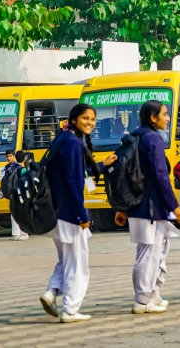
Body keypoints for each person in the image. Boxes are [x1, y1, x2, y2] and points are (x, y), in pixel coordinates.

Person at [39, 104, 117, 323]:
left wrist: (101, 165)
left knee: (66, 259)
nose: (90, 123)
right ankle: (70, 310)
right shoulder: (73, 143)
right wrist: (83, 216)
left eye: (93, 119)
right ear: (73, 120)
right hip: (69, 213)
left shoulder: (63, 138)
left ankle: (52, 292)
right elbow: (74, 182)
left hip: (55, 211)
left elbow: (78, 172)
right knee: (78, 264)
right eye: (85, 118)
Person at [114, 100, 180, 314]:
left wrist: (122, 207)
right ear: (152, 118)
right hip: (151, 206)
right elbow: (159, 175)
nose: (167, 118)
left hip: (137, 204)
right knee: (150, 252)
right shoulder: (153, 139)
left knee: (155, 252)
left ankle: (153, 295)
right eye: (164, 114)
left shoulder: (135, 137)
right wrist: (175, 205)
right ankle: (142, 300)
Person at [6, 149, 29, 241]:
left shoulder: (10, 167)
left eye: (10, 156)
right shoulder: (22, 169)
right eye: (7, 156)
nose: (8, 158)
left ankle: (20, 234)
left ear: (14, 156)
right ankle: (20, 233)